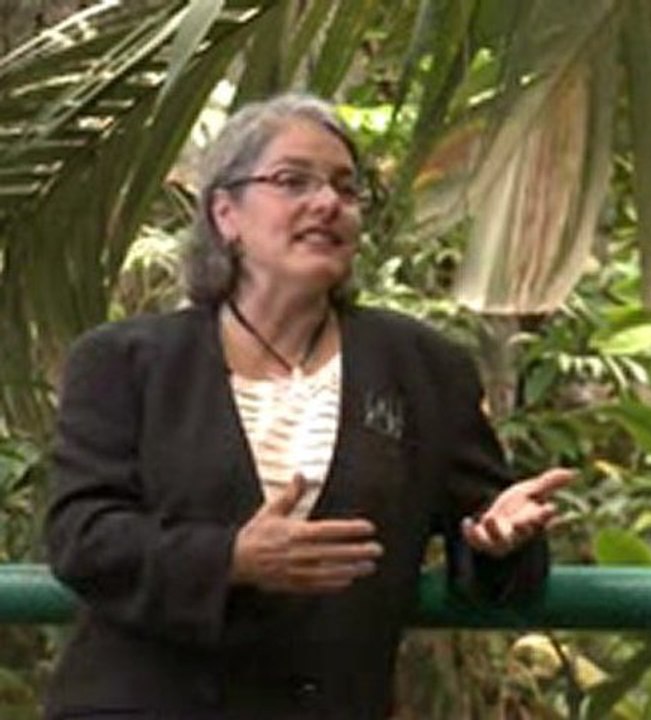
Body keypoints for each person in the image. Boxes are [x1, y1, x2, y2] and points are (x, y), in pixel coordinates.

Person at [43, 92, 573, 719]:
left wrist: (496, 543)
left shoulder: (423, 369)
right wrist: (231, 558)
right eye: (293, 181)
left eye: (346, 190)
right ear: (225, 213)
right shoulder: (126, 362)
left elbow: (490, 556)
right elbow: (82, 538)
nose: (327, 203)